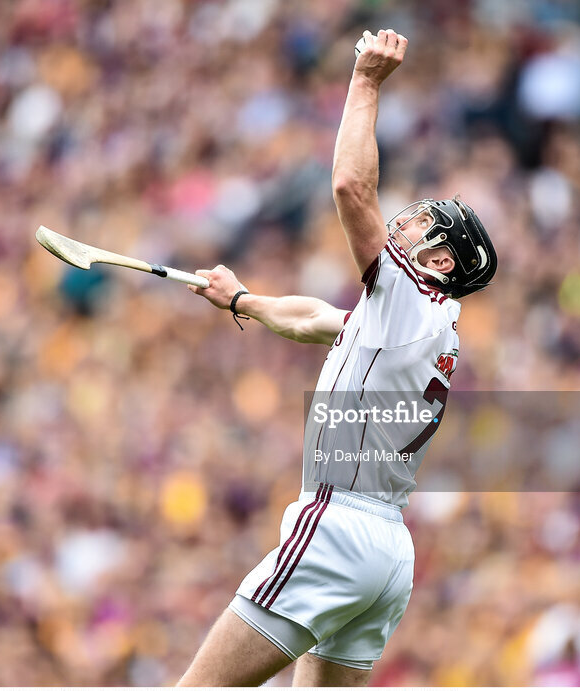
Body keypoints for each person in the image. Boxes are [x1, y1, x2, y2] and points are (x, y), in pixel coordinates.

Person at [177, 29, 498, 687]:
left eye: (425, 227)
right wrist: (243, 299)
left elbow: (352, 185)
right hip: (387, 556)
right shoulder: (421, 324)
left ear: (441, 262)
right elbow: (321, 321)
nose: (408, 224)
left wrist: (365, 82)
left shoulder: (412, 295)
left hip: (336, 527)